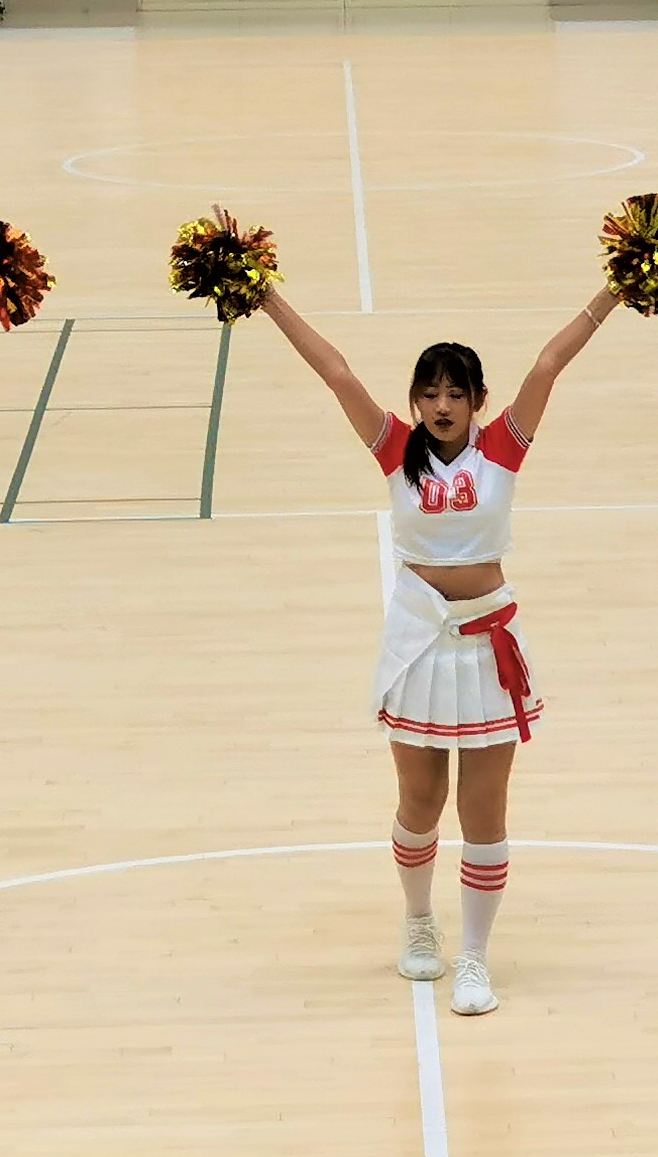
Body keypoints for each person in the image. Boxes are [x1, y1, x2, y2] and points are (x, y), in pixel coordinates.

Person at [257, 274, 625, 1016]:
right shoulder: (396, 450)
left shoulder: (503, 450)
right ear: (416, 402)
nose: (443, 406)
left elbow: (549, 363)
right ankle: (419, 921)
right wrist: (263, 295)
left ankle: (476, 958)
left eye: (456, 393)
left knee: (483, 811)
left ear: (479, 400)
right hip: (419, 644)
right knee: (420, 802)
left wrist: (616, 288)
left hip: (489, 644)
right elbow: (336, 372)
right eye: (430, 394)